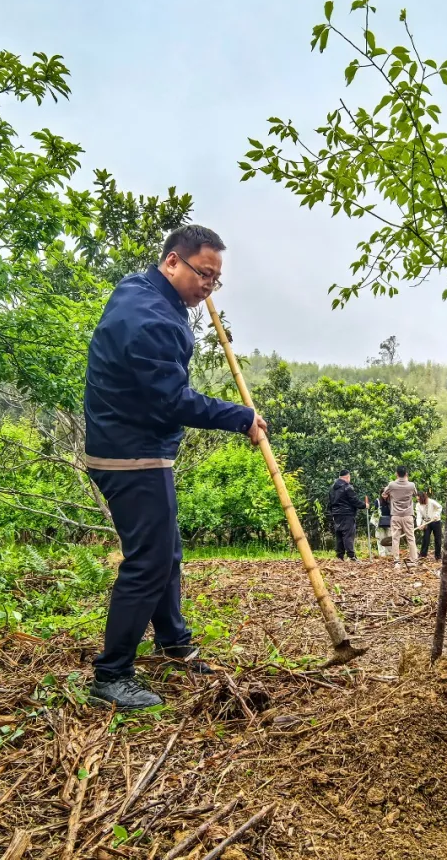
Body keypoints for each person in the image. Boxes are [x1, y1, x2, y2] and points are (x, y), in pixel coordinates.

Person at [84, 225, 268, 708]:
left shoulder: (142, 290)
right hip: (129, 453)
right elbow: (170, 401)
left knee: (166, 554)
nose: (209, 286)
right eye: (203, 273)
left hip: (135, 446)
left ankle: (173, 643)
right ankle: (111, 675)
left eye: (216, 279)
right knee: (149, 562)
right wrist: (241, 416)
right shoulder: (150, 319)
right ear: (172, 262)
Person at [382, 466, 418, 567]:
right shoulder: (411, 485)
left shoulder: (392, 485)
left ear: (396, 474)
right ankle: (413, 560)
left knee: (395, 538)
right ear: (406, 474)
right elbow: (415, 494)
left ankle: (397, 561)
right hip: (408, 515)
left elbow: (384, 494)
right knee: (411, 537)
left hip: (396, 515)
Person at [328, 469, 366, 561]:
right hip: (347, 513)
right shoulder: (347, 487)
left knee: (339, 534)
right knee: (348, 535)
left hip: (336, 513)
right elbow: (354, 500)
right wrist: (364, 505)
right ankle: (351, 556)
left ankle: (339, 556)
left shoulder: (332, 488)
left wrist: (331, 513)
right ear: (347, 477)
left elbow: (329, 502)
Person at [415, 490, 443, 562]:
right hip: (426, 523)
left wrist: (436, 515)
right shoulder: (418, 505)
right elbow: (419, 515)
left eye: (419, 499)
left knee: (438, 539)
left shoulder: (431, 501)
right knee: (425, 539)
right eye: (417, 499)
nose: (418, 500)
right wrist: (419, 525)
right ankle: (423, 555)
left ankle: (438, 556)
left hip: (436, 521)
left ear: (422, 498)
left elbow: (439, 507)